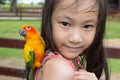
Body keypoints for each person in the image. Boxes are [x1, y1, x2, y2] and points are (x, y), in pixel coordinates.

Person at [35, 0, 110, 80]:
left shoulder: (74, 60)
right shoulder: (60, 69)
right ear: (48, 21)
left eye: (87, 26)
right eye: (65, 24)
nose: (75, 38)